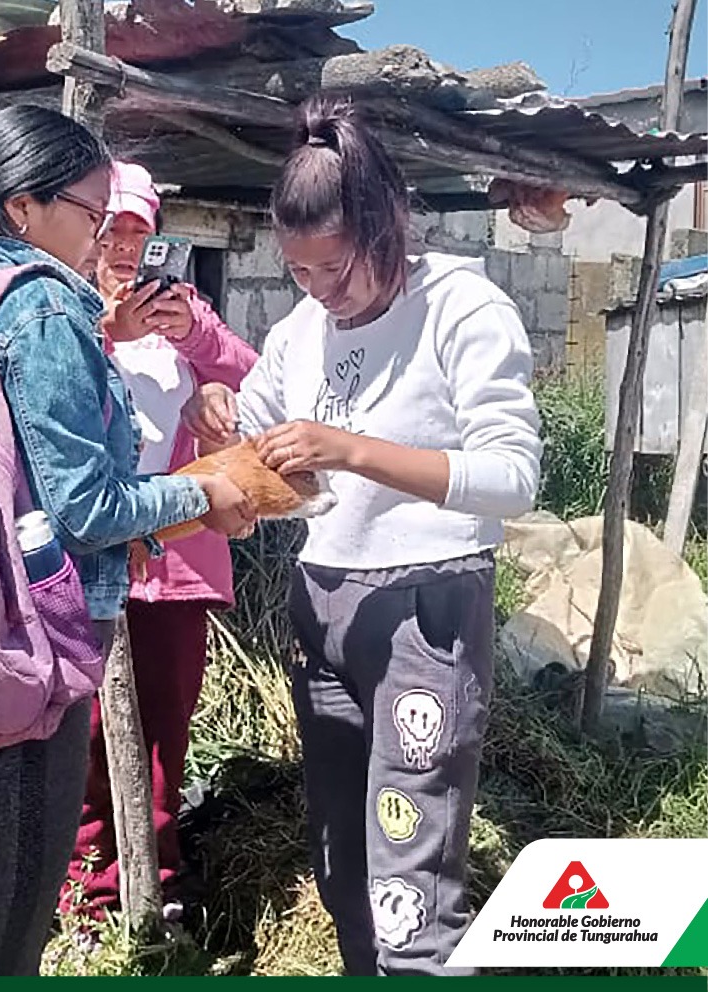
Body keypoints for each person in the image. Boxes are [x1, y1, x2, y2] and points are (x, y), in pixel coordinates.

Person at [0, 104, 256, 976]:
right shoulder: (42, 306)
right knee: (15, 882)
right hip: (34, 623)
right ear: (21, 210)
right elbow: (84, 506)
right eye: (88, 213)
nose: (100, 237)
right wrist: (207, 490)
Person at [216, 94, 542, 975]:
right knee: (339, 862)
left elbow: (513, 477)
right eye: (299, 273)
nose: (320, 291)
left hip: (421, 608)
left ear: (385, 223)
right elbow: (257, 437)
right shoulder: (297, 331)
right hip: (319, 602)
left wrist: (352, 449)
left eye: (336, 269)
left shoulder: (461, 308)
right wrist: (227, 433)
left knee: (411, 887)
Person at [65, 162, 259, 922]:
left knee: (162, 725)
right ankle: (84, 884)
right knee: (82, 729)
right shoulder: (61, 312)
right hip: (85, 555)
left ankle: (153, 878)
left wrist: (199, 339)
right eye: (107, 227)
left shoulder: (183, 315)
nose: (120, 245)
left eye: (137, 231)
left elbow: (258, 385)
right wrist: (108, 333)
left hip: (173, 558)